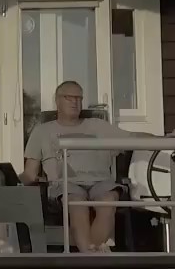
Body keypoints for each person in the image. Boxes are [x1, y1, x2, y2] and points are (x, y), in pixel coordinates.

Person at [19, 79, 151, 253]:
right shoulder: (42, 131)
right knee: (76, 203)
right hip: (66, 184)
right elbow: (30, 173)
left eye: (79, 98)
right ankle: (92, 257)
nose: (75, 102)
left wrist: (167, 138)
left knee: (109, 200)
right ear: (57, 100)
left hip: (100, 182)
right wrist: (7, 183)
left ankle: (89, 257)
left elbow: (132, 137)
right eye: (69, 97)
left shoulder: (98, 126)